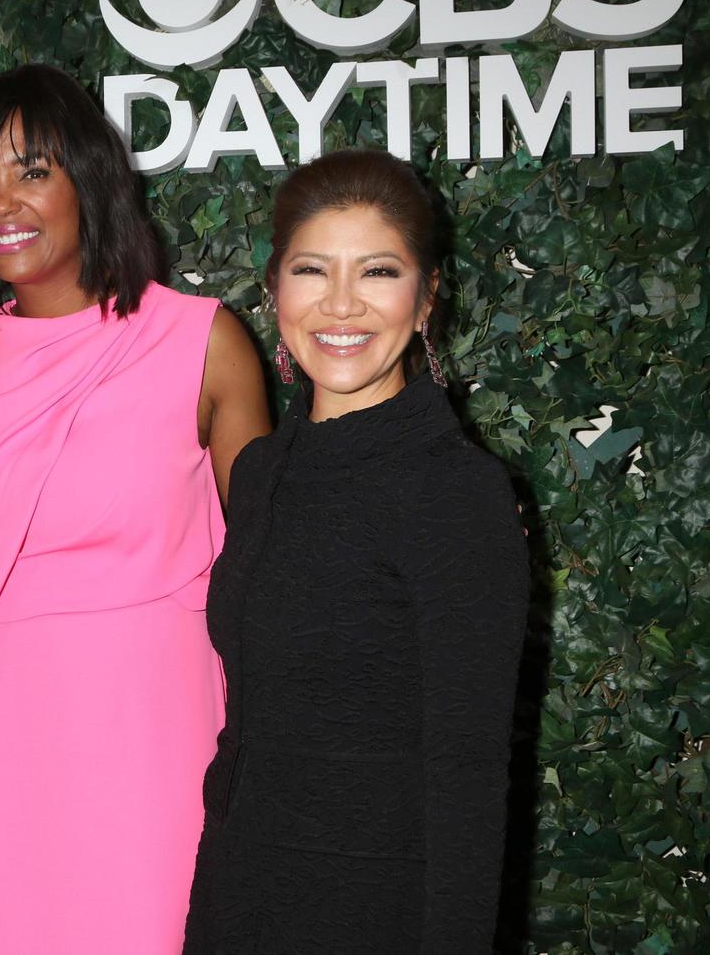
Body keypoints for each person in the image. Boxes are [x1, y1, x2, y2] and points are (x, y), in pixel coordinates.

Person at [0, 64, 272, 954]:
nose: (0, 203)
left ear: (89, 181)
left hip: (150, 730)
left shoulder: (200, 341)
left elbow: (275, 551)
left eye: (31, 170)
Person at [183, 149, 530, 952]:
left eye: (377, 272)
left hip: (385, 912)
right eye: (312, 270)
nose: (341, 305)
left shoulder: (455, 492)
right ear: (275, 292)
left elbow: (467, 772)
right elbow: (250, 730)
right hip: (244, 900)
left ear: (425, 299)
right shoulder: (266, 469)